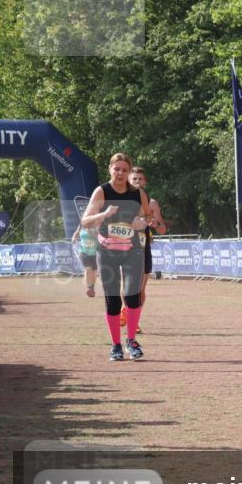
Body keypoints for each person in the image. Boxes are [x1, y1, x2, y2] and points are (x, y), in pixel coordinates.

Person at [81, 153, 151, 361]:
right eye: (117, 169)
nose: (120, 173)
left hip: (132, 251)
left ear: (129, 172)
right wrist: (104, 215)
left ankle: (131, 340)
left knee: (132, 296)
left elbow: (148, 214)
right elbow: (85, 221)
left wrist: (142, 222)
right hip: (108, 252)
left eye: (124, 170)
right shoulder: (101, 192)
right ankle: (116, 345)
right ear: (110, 169)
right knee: (112, 300)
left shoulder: (138, 193)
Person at [127, 167, 166, 330]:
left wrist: (155, 224)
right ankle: (127, 311)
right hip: (125, 247)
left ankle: (134, 320)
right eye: (134, 179)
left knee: (140, 288)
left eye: (140, 179)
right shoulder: (122, 201)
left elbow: (162, 229)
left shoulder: (152, 203)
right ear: (128, 181)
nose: (137, 181)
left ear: (145, 181)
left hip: (143, 249)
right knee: (127, 286)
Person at [72, 224, 98, 297]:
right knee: (88, 270)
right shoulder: (81, 226)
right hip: (83, 252)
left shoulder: (96, 225)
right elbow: (76, 233)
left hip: (95, 252)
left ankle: (92, 287)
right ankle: (89, 288)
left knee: (94, 272)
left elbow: (99, 237)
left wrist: (92, 234)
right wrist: (74, 238)